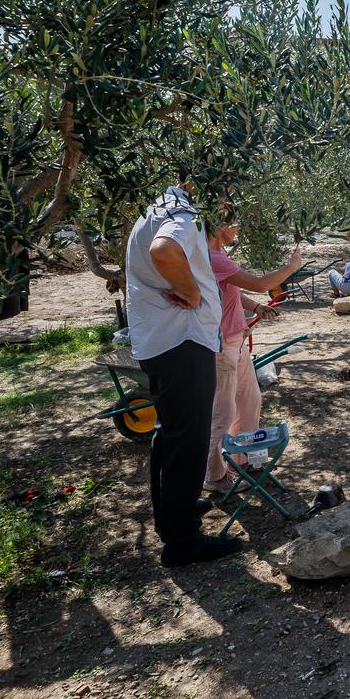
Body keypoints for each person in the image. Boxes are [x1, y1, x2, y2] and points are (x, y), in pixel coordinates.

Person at [124, 184, 240, 567]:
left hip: (162, 339)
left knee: (170, 435)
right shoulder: (182, 215)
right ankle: (182, 540)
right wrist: (192, 294)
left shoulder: (159, 206)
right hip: (182, 339)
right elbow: (164, 250)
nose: (227, 205)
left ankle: (175, 514)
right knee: (187, 439)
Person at [202, 220, 302, 494]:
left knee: (249, 398)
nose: (239, 228)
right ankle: (214, 476)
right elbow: (260, 283)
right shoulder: (210, 257)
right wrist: (291, 268)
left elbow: (232, 290)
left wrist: (256, 306)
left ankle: (241, 458)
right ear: (217, 227)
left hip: (237, 338)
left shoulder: (220, 255)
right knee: (222, 411)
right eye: (234, 224)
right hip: (222, 344)